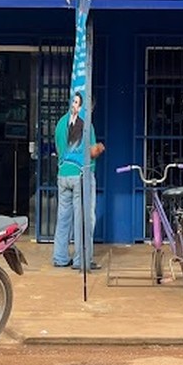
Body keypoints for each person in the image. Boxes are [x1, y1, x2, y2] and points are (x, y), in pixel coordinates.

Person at [52, 91, 105, 270]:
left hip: (63, 174)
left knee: (63, 218)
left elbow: (60, 149)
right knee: (83, 219)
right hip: (81, 175)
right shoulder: (86, 125)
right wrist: (100, 147)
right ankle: (81, 260)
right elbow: (90, 152)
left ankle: (60, 257)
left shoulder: (60, 123)